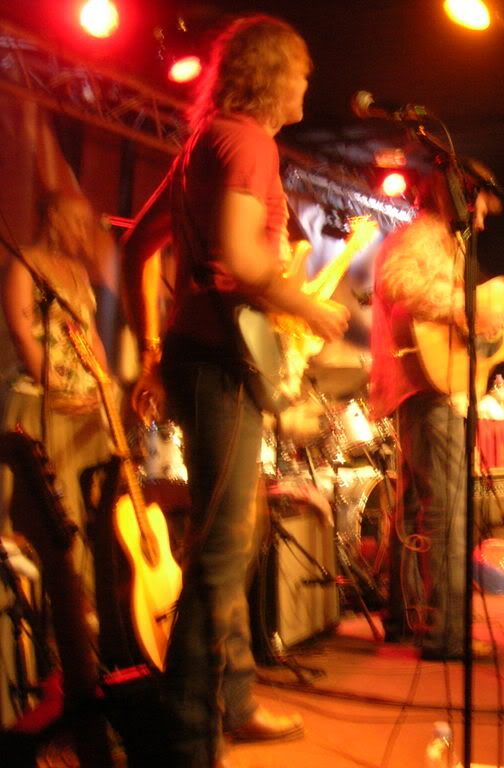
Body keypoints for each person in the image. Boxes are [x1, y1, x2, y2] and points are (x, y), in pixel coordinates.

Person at [121, 16, 349, 766]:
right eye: (303, 72)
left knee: (231, 534)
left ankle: (236, 699)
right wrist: (308, 304)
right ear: (274, 74)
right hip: (222, 364)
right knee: (220, 552)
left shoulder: (204, 141)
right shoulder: (249, 142)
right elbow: (242, 259)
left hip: (199, 356)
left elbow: (136, 248)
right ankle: (187, 740)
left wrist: (152, 350)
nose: (309, 84)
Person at [369, 190, 504, 658]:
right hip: (429, 388)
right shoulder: (422, 235)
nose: (481, 222)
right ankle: (446, 634)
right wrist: (468, 309)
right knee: (448, 509)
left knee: (414, 510)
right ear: (457, 197)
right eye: (479, 209)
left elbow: (476, 329)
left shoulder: (449, 245)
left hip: (429, 387)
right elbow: (399, 285)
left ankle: (406, 618)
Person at [1, 191, 113, 605]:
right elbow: (22, 332)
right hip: (40, 403)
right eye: (76, 221)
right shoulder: (24, 264)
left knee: (85, 505)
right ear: (52, 217)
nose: (83, 232)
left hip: (83, 407)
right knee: (45, 506)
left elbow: (91, 334)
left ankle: (79, 604)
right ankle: (41, 606)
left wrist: (103, 384)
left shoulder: (78, 273)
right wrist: (57, 388)